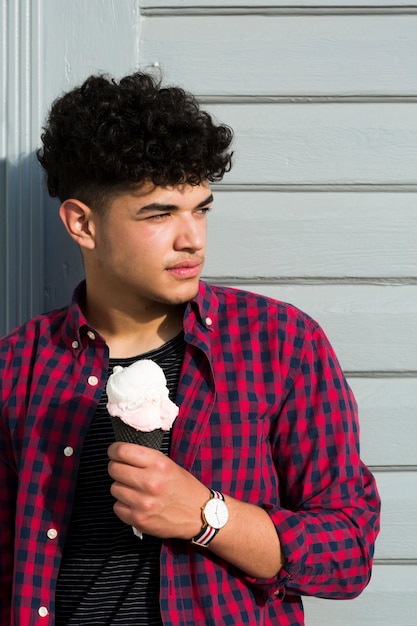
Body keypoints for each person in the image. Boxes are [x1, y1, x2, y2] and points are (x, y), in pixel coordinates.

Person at [0, 71, 380, 626]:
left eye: (200, 208)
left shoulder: (279, 344)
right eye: (159, 214)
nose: (193, 238)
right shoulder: (18, 366)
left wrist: (206, 515)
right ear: (82, 223)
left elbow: (348, 553)